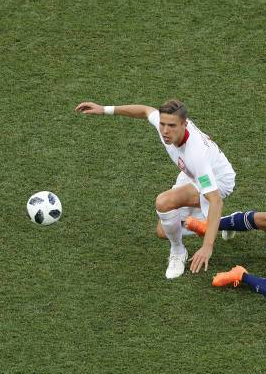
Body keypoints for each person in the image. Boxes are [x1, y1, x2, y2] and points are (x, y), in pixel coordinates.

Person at [75, 100, 235, 279]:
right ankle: (227, 222)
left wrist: (207, 247)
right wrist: (104, 109)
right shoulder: (167, 127)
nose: (165, 131)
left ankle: (178, 251)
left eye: (172, 126)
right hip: (191, 175)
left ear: (184, 124)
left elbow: (215, 200)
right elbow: (144, 110)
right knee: (163, 231)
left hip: (218, 180)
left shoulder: (196, 154)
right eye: (162, 124)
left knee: (164, 202)